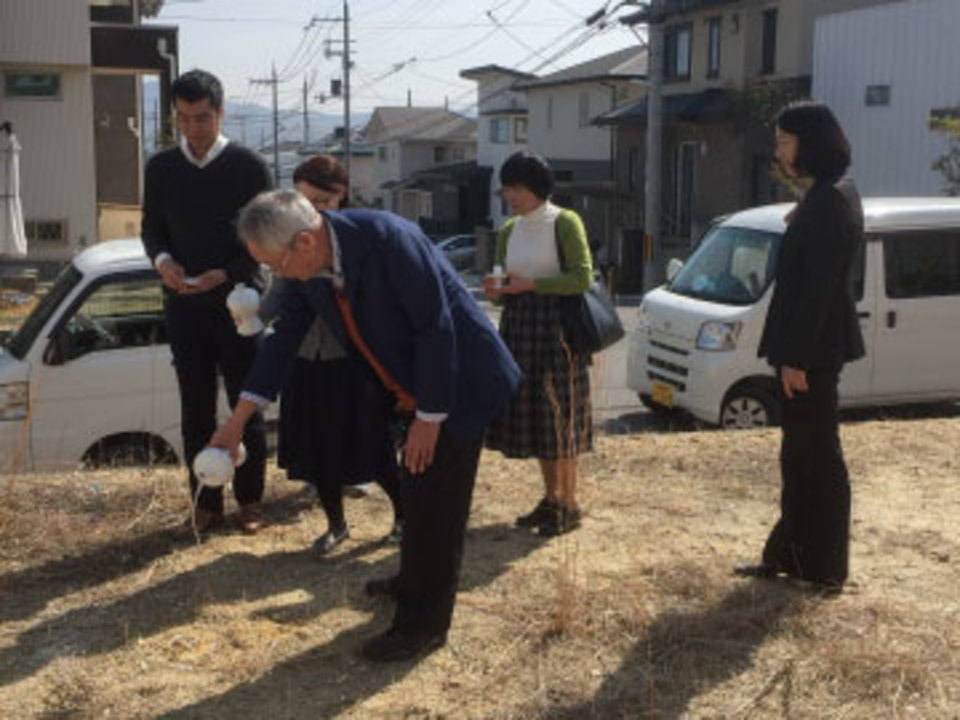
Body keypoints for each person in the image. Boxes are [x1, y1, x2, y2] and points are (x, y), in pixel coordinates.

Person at [208, 190, 520, 662]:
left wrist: (431, 417)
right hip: (408, 386)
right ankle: (411, 582)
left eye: (275, 265)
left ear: (306, 241)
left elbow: (436, 327)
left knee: (437, 505)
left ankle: (421, 628)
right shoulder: (310, 269)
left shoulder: (389, 241)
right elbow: (283, 340)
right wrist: (237, 421)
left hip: (459, 381)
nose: (276, 276)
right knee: (417, 490)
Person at [736, 101, 865, 595]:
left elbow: (817, 290)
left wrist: (795, 359)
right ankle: (788, 555)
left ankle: (828, 567)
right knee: (799, 455)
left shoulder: (830, 201)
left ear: (810, 142)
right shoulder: (830, 194)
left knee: (818, 456)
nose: (779, 151)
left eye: (784, 141)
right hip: (811, 344)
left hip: (812, 349)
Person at [141, 69, 272, 535]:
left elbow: (265, 237)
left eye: (202, 117)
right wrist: (163, 263)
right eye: (183, 118)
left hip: (238, 304)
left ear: (220, 112)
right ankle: (203, 502)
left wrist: (227, 272)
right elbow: (151, 227)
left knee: (246, 403)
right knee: (194, 409)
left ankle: (251, 501)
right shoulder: (160, 168)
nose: (193, 128)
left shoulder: (248, 166)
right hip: (183, 304)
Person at [270, 155, 402, 554]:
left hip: (355, 361)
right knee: (319, 449)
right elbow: (279, 298)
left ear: (340, 196)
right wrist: (247, 311)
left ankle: (405, 516)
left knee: (375, 445)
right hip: (308, 360)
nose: (310, 211)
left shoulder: (364, 239)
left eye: (320, 201)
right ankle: (336, 524)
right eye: (302, 200)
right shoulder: (293, 239)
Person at [484, 152, 594, 536]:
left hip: (558, 330)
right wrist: (496, 291)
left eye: (516, 187)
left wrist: (531, 284)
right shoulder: (508, 230)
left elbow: (582, 278)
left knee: (559, 419)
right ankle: (552, 499)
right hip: (519, 328)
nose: (510, 195)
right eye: (507, 188)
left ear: (537, 187)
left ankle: (569, 503)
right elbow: (500, 291)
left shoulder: (564, 221)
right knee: (538, 423)